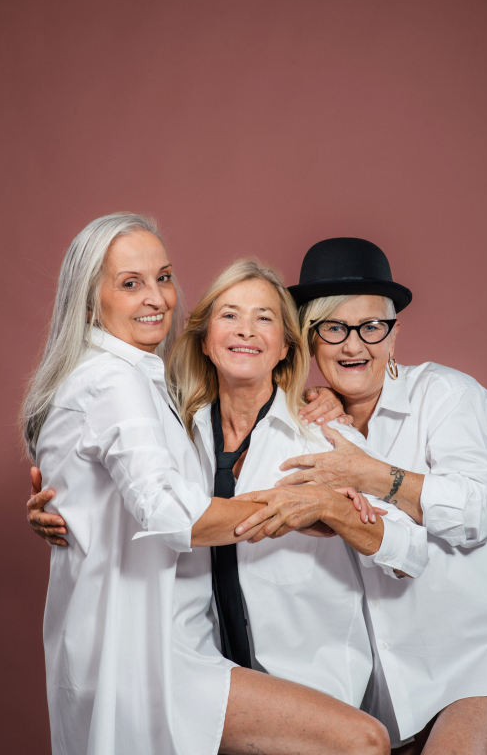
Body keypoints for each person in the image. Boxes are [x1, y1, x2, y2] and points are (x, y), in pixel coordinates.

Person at [22, 214, 391, 755]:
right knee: (360, 742)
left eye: (164, 277)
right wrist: (297, 503)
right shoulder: (115, 380)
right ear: (88, 298)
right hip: (153, 649)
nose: (155, 297)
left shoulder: (163, 397)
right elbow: (174, 514)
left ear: (287, 343)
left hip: (194, 648)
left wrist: (323, 510)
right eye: (130, 283)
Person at [265, 236, 487, 754]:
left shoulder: (446, 395)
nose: (355, 345)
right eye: (335, 328)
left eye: (373, 327)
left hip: (483, 665)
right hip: (383, 694)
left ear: (394, 336)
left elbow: (475, 510)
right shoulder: (312, 425)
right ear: (309, 340)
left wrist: (371, 473)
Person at [167, 258, 427, 712]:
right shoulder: (173, 439)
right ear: (206, 340)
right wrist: (58, 510)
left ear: (286, 346)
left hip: (319, 691)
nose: (246, 330)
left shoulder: (326, 436)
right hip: (206, 688)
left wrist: (331, 507)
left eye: (264, 318)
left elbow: (412, 553)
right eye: (229, 315)